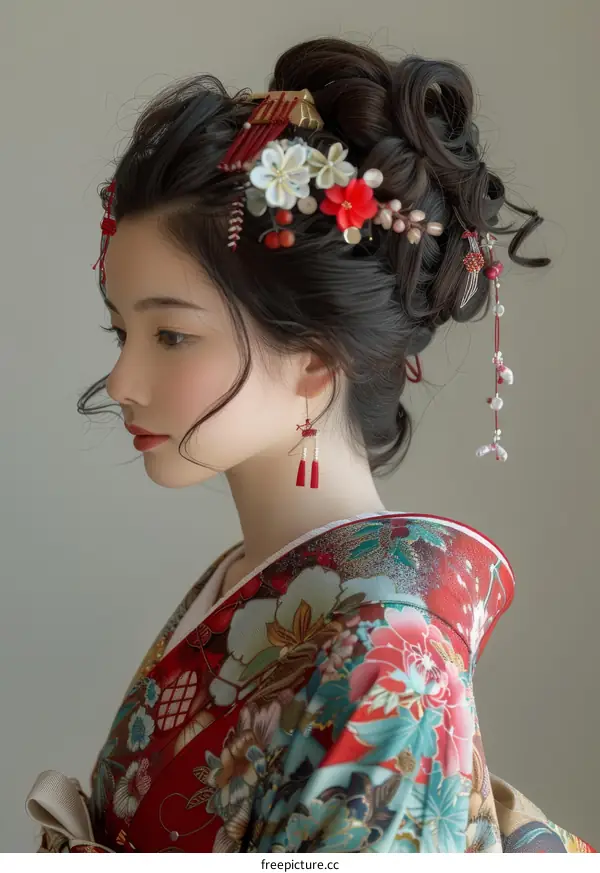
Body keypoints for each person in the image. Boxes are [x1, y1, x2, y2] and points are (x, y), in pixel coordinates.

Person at [25, 37, 596, 853]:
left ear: (317, 363)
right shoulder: (259, 583)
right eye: (123, 332)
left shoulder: (390, 664)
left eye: (172, 336)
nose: (121, 380)